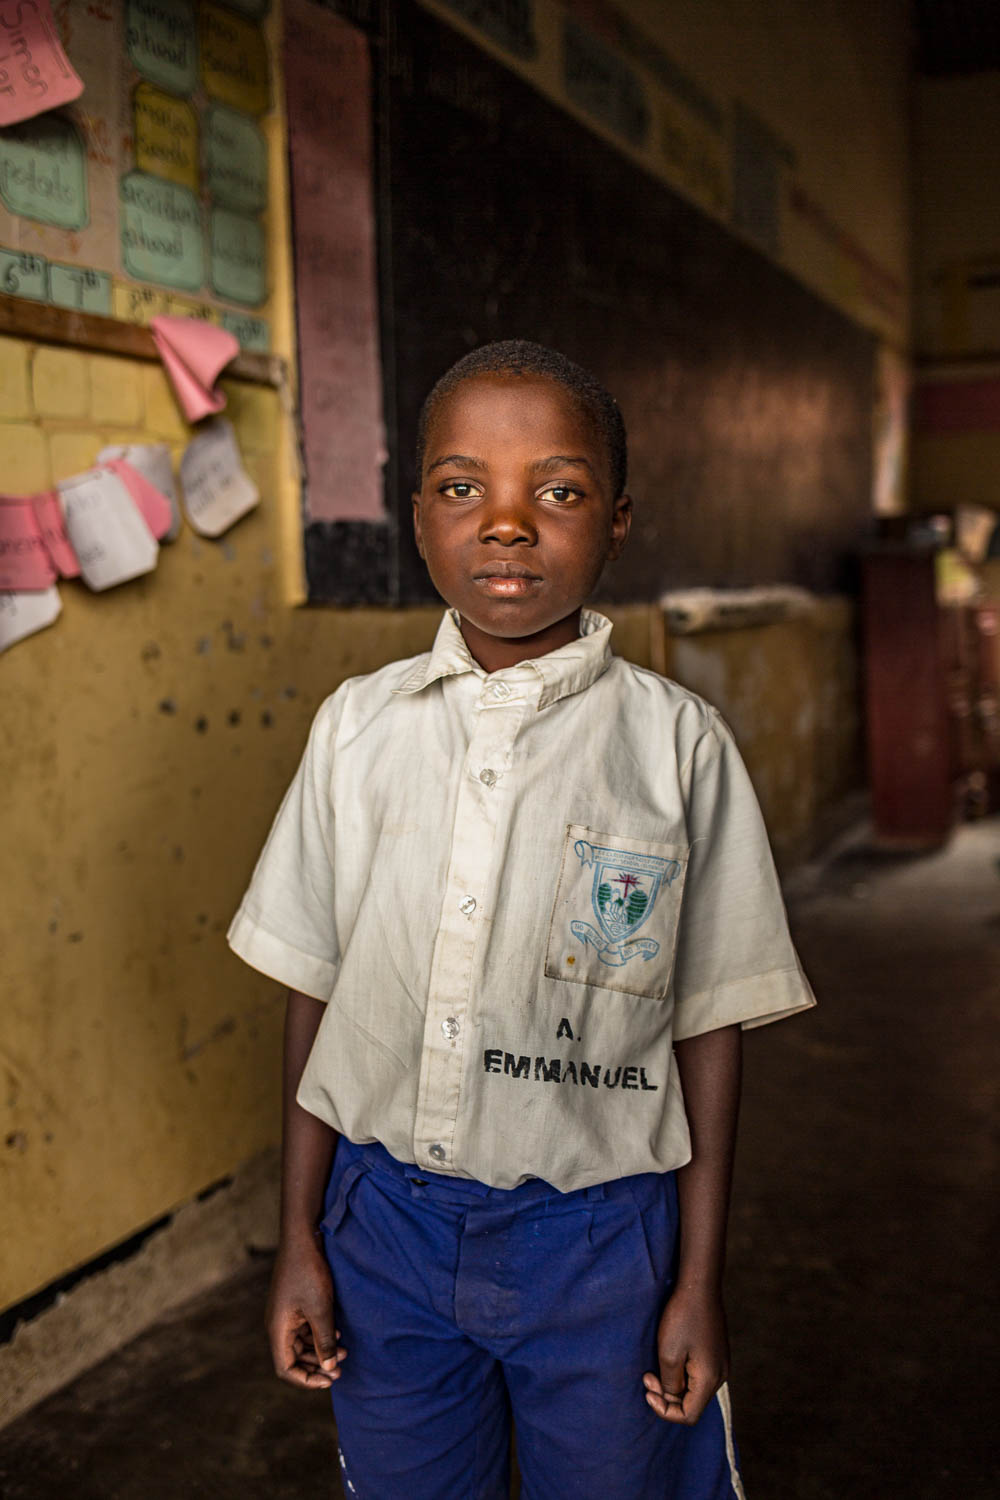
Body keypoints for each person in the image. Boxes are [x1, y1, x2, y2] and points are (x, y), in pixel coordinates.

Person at [227, 340, 815, 1499]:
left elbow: (708, 1026)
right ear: (417, 518)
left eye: (555, 491)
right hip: (382, 1226)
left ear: (616, 520)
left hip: (601, 1245)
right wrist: (300, 1234)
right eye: (462, 489)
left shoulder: (676, 747)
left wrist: (698, 1279)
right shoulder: (358, 729)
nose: (505, 524)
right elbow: (315, 990)